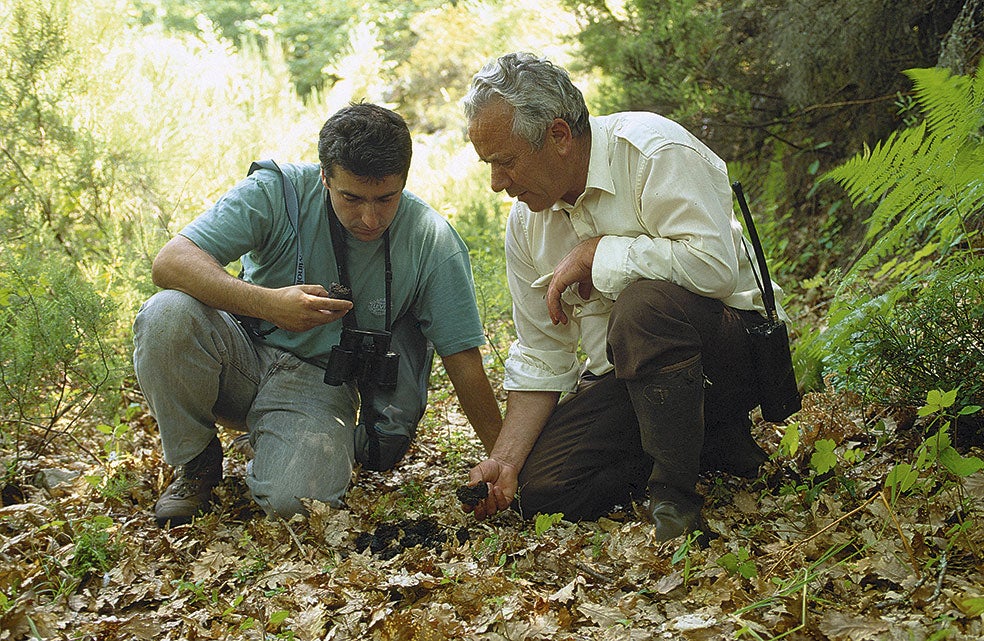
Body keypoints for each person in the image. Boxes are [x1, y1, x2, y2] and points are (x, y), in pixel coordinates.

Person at [461, 53, 786, 541]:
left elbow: (715, 270)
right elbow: (542, 352)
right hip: (631, 384)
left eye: (506, 162)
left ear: (559, 136)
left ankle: (675, 500)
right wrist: (504, 461)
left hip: (729, 356)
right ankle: (705, 446)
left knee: (642, 308)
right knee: (542, 491)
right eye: (489, 165)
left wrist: (600, 253)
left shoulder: (655, 152)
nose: (496, 184)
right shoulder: (527, 223)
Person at [134, 103, 502, 526]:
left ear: (404, 179)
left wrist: (505, 461)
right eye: (351, 197)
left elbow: (464, 359)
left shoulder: (430, 239)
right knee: (166, 313)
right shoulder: (278, 192)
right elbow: (171, 262)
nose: (370, 217)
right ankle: (195, 463)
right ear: (324, 175)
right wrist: (268, 303)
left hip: (319, 380)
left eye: (386, 198)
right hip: (239, 354)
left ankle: (281, 445)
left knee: (298, 505)